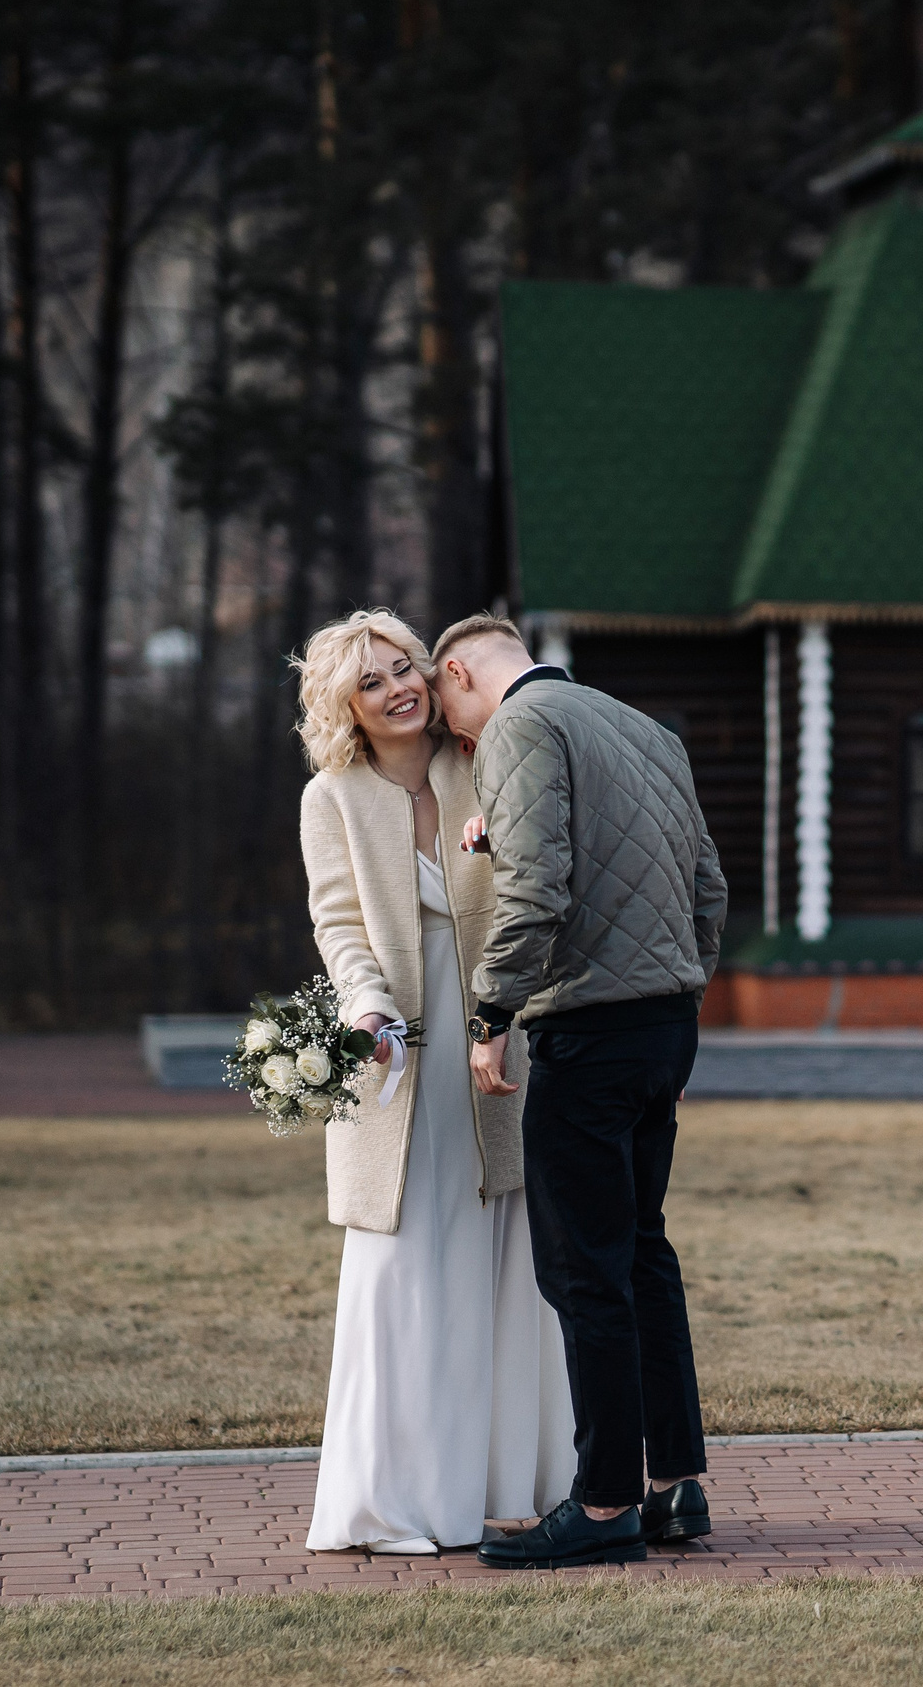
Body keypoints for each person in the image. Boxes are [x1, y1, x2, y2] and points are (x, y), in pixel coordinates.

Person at [428, 613, 729, 1571]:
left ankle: (603, 1505)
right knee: (643, 1253)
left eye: (451, 717)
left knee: (584, 1271)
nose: (461, 742)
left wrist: (490, 1014)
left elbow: (540, 887)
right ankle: (673, 1485)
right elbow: (708, 884)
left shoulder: (523, 726)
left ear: (460, 670)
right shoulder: (645, 729)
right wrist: (678, 988)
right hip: (666, 1025)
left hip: (588, 1033)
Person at [291, 608, 576, 1553]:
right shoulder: (330, 797)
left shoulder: (481, 761)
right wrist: (369, 1014)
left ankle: (505, 1486)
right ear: (346, 706)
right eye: (370, 682)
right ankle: (400, 1499)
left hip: (501, 1036)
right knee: (401, 1265)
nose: (397, 688)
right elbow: (340, 926)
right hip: (399, 1054)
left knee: (505, 1252)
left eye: (404, 668)